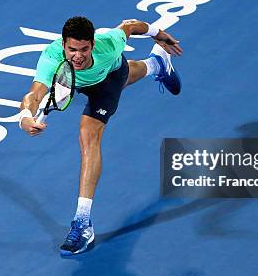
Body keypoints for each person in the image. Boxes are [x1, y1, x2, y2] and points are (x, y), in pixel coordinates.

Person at [19, 16, 182, 255]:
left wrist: (158, 33)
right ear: (63, 45)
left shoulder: (109, 44)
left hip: (109, 79)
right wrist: (25, 118)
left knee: (89, 133)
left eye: (84, 49)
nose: (78, 56)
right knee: (131, 73)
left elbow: (130, 26)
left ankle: (82, 224)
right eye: (72, 49)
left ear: (92, 45)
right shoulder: (51, 57)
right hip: (72, 80)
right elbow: (33, 95)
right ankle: (158, 64)